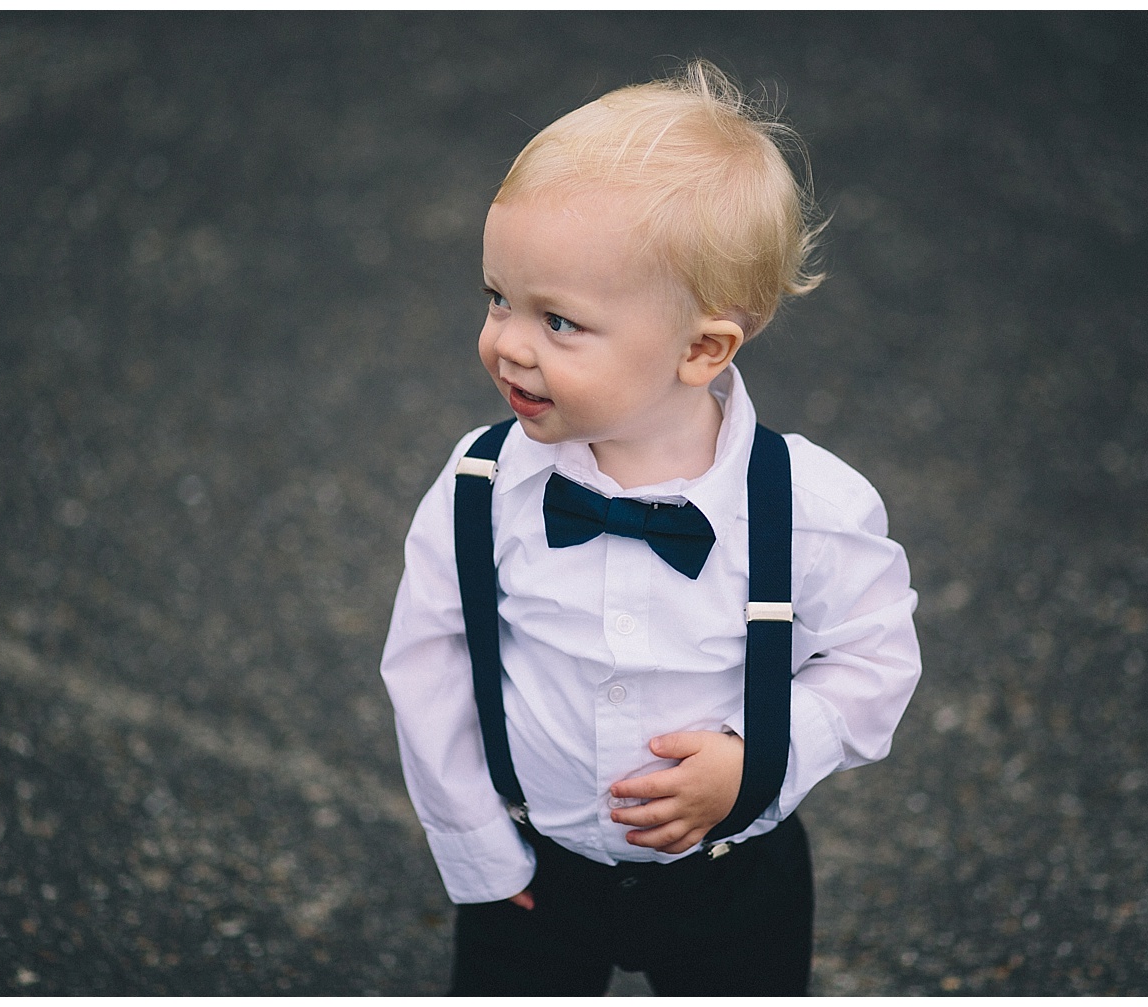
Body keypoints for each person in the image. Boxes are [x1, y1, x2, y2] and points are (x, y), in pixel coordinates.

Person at [379, 60, 921, 995]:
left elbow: (876, 657)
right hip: (534, 867)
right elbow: (428, 662)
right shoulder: (481, 485)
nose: (507, 341)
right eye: (498, 296)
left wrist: (759, 758)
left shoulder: (810, 507)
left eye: (559, 321)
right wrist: (477, 847)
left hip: (732, 873)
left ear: (702, 348)